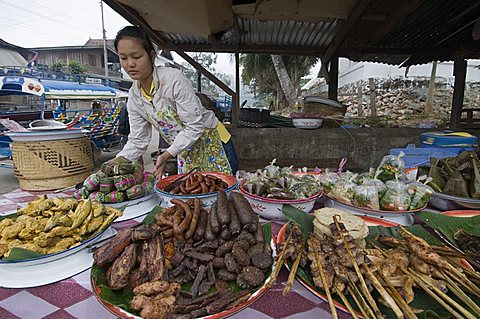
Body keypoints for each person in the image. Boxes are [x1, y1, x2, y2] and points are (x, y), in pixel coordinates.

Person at [113, 25, 239, 180]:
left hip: (213, 142)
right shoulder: (134, 97)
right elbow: (138, 140)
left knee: (224, 194)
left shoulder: (173, 80)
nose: (130, 64)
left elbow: (195, 126)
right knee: (193, 196)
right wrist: (119, 159)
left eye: (137, 57)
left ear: (152, 56)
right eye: (123, 58)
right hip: (184, 151)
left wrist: (167, 154)